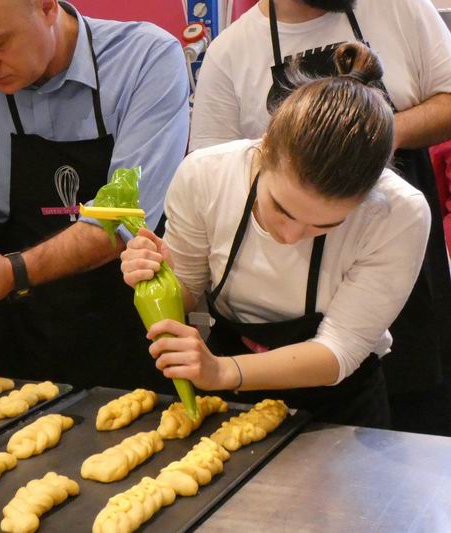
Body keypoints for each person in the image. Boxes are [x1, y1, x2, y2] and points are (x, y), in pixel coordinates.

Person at [122, 43, 431, 428]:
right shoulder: (205, 176)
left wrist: (223, 371)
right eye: (281, 209)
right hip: (230, 395)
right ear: (264, 148)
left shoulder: (399, 214)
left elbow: (339, 349)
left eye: (325, 226)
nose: (290, 235)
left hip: (338, 407)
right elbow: (186, 290)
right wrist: (156, 276)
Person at [189, 0, 451, 435]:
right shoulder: (232, 52)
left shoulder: (399, 7)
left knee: (411, 426)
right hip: (272, 294)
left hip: (393, 259)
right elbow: (210, 179)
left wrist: (360, 143)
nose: (297, 229)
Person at [0, 0, 190, 389]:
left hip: (135, 343)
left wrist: (12, 272)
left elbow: (123, 219)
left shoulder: (145, 60)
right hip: (20, 358)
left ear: (47, 7)